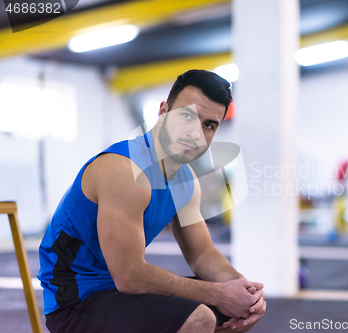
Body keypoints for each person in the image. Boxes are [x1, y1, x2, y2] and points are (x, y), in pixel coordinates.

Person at [37, 70, 266, 333]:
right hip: (76, 302)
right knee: (201, 317)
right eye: (187, 116)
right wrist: (217, 294)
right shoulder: (124, 170)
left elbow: (202, 253)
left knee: (233, 313)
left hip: (118, 294)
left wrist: (243, 289)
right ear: (163, 111)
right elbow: (130, 276)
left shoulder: (185, 179)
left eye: (209, 125)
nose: (196, 133)